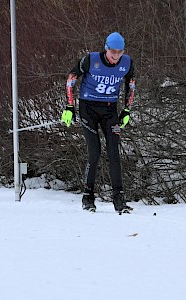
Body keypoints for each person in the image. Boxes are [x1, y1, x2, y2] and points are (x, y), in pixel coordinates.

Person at [61, 32, 135, 213]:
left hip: (110, 110)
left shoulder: (127, 63)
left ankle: (119, 199)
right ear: (106, 48)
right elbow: (72, 78)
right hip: (88, 109)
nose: (116, 56)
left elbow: (131, 85)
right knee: (94, 152)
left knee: (114, 151)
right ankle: (88, 197)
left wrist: (126, 109)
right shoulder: (91, 60)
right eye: (113, 52)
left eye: (119, 52)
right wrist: (70, 106)